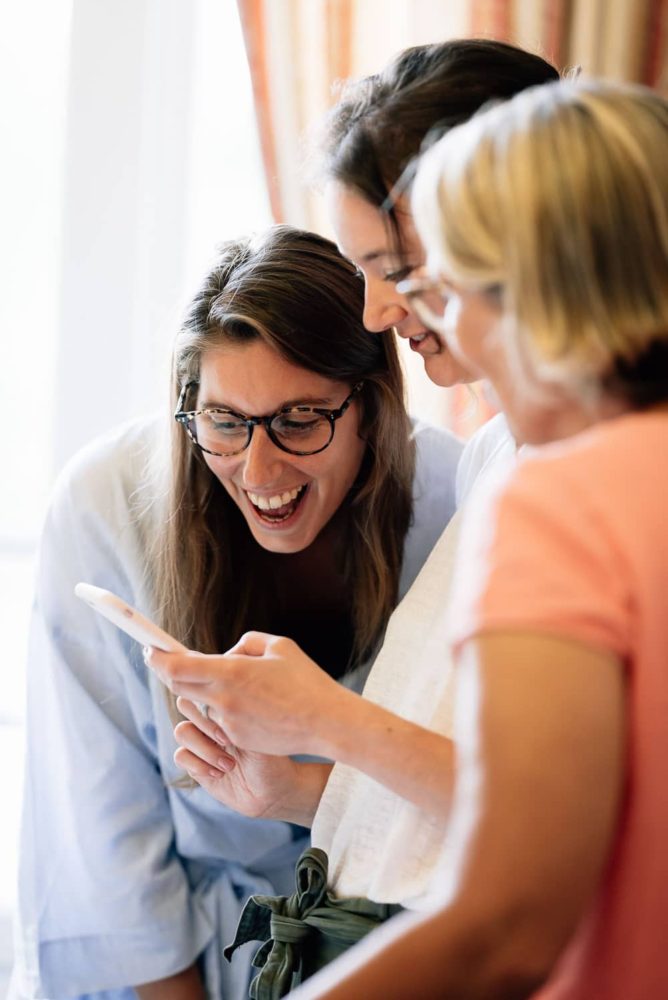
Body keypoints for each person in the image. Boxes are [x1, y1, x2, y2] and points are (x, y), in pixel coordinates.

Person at [146, 39, 564, 994]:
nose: (376, 312)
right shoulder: (504, 450)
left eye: (396, 266)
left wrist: (329, 719)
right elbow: (466, 783)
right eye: (359, 268)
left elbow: (559, 816)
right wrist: (298, 788)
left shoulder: (591, 473)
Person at [283, 77, 668, 999]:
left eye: (436, 282)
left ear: (536, 281)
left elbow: (507, 924)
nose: (416, 318)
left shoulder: (563, 498)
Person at [11, 225, 462, 1000]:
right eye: (224, 421)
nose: (258, 470)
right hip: (176, 962)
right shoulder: (105, 503)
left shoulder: (455, 501)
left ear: (371, 405)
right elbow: (102, 848)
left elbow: (486, 807)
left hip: (397, 947)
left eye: (298, 421)